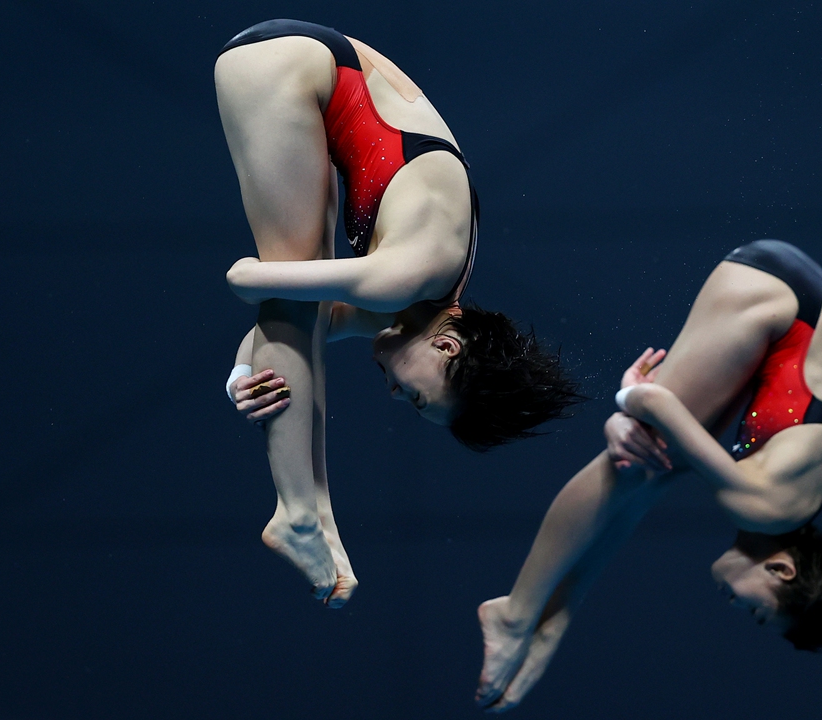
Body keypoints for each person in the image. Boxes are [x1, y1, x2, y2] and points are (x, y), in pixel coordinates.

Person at [215, 19, 581, 609]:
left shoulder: (422, 301)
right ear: (447, 348)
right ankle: (298, 512)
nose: (395, 397)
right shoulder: (407, 278)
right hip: (282, 64)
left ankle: (318, 512)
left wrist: (241, 379)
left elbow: (299, 329)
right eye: (417, 398)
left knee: (304, 306)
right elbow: (250, 284)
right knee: (294, 291)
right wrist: (266, 306)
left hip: (314, 76)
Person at [475, 240, 822, 711]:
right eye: (757, 613)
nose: (737, 609)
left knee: (649, 470)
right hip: (781, 297)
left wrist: (562, 614)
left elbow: (634, 497)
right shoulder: (763, 503)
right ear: (781, 569)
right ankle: (516, 612)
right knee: (633, 465)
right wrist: (627, 404)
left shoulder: (785, 503)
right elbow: (651, 405)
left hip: (794, 300)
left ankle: (549, 618)